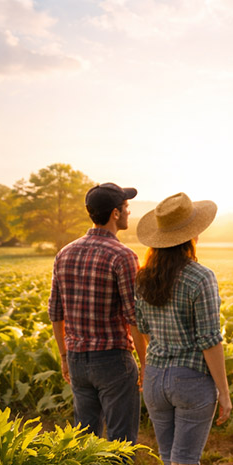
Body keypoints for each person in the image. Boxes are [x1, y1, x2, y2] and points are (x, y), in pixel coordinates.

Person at [134, 192, 232, 465]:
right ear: (192, 234)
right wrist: (224, 393)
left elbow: (143, 328)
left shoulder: (143, 278)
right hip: (190, 380)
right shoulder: (201, 277)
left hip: (155, 378)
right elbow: (209, 340)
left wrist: (156, 364)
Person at [48, 182, 147, 444]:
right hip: (113, 360)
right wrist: (146, 363)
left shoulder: (64, 253)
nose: (128, 212)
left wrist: (64, 356)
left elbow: (55, 312)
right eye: (126, 207)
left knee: (84, 441)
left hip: (77, 359)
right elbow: (133, 317)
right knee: (120, 442)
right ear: (115, 213)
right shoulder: (123, 255)